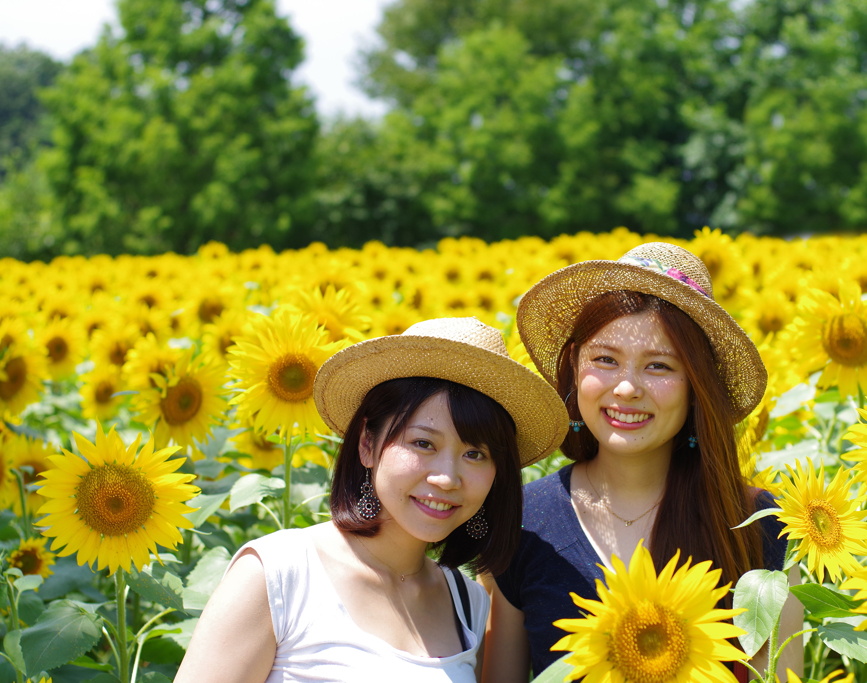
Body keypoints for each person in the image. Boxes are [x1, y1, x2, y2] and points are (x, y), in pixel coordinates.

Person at [176, 317, 568, 683]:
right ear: (367, 443)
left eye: (475, 454)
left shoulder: (467, 605)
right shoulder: (277, 575)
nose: (447, 478)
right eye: (423, 443)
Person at [481, 243, 802, 683]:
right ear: (574, 365)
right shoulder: (524, 522)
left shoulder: (758, 528)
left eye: (659, 366)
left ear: (696, 385)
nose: (627, 388)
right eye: (605, 360)